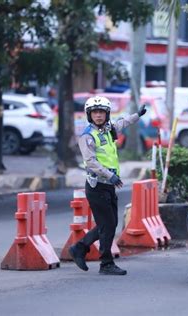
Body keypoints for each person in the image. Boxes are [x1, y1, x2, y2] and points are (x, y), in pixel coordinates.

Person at [69, 95, 147, 275]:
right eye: (95, 112)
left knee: (110, 223)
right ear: (89, 115)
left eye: (102, 112)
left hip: (109, 185)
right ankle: (106, 263)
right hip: (97, 186)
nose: (98, 115)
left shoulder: (108, 129)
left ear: (107, 114)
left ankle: (80, 247)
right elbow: (90, 162)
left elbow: (122, 123)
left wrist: (137, 115)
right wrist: (109, 175)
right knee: (108, 224)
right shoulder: (88, 136)